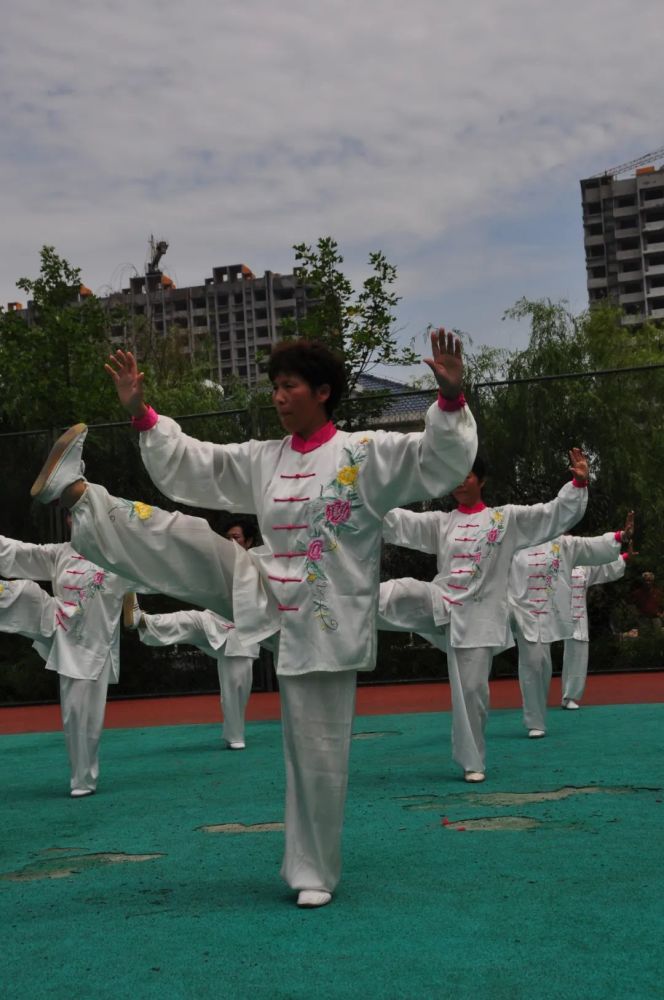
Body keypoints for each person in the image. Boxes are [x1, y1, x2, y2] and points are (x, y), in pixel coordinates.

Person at [30, 330, 477, 908]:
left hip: (326, 619)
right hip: (264, 590)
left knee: (316, 747)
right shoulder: (264, 456)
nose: (278, 397)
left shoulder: (367, 452)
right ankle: (79, 493)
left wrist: (449, 401)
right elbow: (198, 464)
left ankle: (313, 872)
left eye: (288, 386)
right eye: (275, 387)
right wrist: (141, 412)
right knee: (189, 537)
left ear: (322, 392)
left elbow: (435, 461)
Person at [378, 450, 589, 782]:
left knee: (474, 691)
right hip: (441, 600)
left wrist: (577, 483)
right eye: (455, 478)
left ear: (482, 480)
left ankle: (473, 761)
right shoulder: (441, 522)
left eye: (467, 476)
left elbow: (551, 514)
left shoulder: (505, 520)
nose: (460, 483)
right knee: (398, 592)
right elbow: (397, 523)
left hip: (478, 617)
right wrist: (365, 498)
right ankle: (342, 607)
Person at [0, 518, 143, 797]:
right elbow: (17, 552)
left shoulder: (120, 558)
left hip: (94, 643)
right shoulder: (60, 553)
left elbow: (153, 576)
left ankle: (84, 779)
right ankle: (82, 779)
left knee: (80, 714)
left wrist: (134, 610)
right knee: (25, 592)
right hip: (58, 626)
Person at [125, 516, 260, 749]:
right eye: (226, 538)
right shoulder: (216, 563)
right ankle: (141, 619)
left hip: (242, 633)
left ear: (248, 542)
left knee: (237, 687)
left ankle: (235, 736)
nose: (230, 542)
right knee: (186, 620)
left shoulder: (259, 564)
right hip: (212, 620)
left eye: (235, 537)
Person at [508, 513, 634, 738]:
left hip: (568, 615)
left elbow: (594, 551)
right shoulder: (516, 549)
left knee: (575, 655)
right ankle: (535, 719)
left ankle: (569, 696)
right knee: (535, 663)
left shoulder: (566, 548)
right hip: (528, 616)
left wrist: (621, 540)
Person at [561, 549, 630, 709]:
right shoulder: (554, 563)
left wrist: (625, 557)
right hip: (552, 614)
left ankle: (569, 696)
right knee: (539, 654)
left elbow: (604, 567)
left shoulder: (584, 567)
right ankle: (536, 696)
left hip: (577, 617)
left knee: (578, 653)